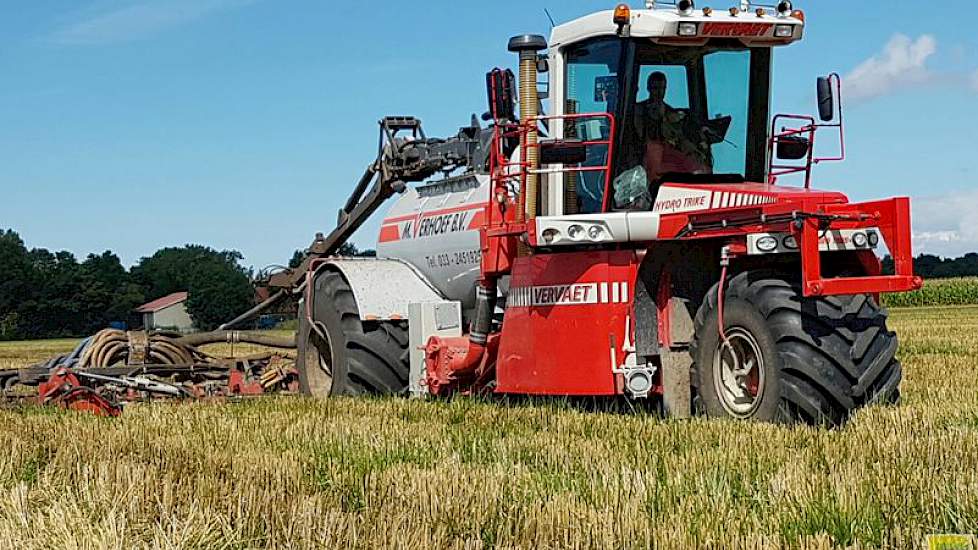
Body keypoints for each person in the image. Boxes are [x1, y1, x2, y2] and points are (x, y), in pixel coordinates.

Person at [633, 71, 709, 183]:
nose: (659, 92)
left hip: (668, 152)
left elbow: (675, 137)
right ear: (648, 88)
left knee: (697, 160)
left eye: (662, 88)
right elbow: (640, 135)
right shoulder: (639, 110)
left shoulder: (671, 112)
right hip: (646, 153)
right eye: (655, 88)